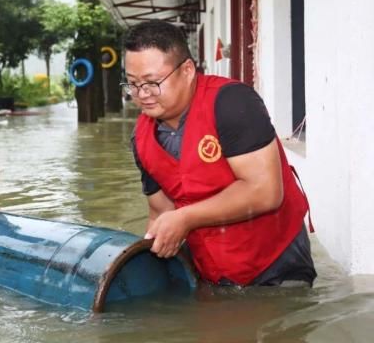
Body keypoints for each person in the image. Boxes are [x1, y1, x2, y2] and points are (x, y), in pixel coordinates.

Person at [122, 20, 316, 287]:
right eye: (133, 84)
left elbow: (265, 192)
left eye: (153, 83)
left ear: (187, 70)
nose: (142, 94)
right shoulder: (142, 139)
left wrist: (185, 217)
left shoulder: (232, 103)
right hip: (213, 269)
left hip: (276, 261)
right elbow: (161, 213)